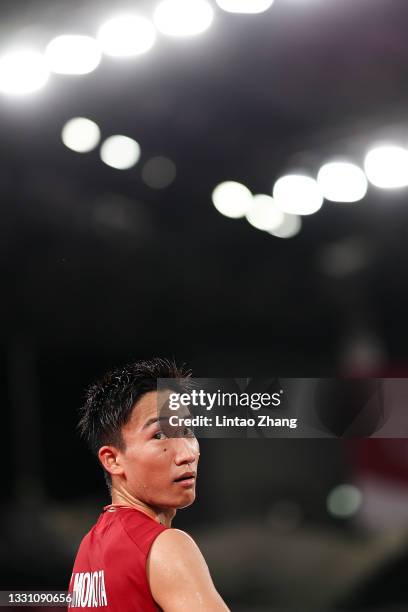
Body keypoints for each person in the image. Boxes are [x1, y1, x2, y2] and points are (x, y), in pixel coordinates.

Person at [68, 358, 229, 611]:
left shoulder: (87, 552)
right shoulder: (166, 545)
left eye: (187, 431)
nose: (186, 454)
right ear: (113, 459)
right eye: (159, 435)